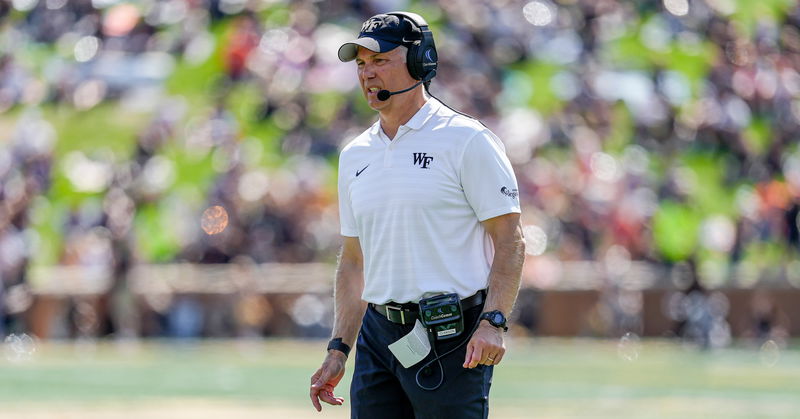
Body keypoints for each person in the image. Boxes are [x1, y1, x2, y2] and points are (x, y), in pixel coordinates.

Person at [309, 11, 525, 418]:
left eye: (379, 61)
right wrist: (338, 350)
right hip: (379, 336)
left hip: (453, 334)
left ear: (419, 61)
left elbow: (510, 239)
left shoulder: (466, 140)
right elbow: (354, 261)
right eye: (360, 64)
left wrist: (493, 321)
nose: (367, 74)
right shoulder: (354, 154)